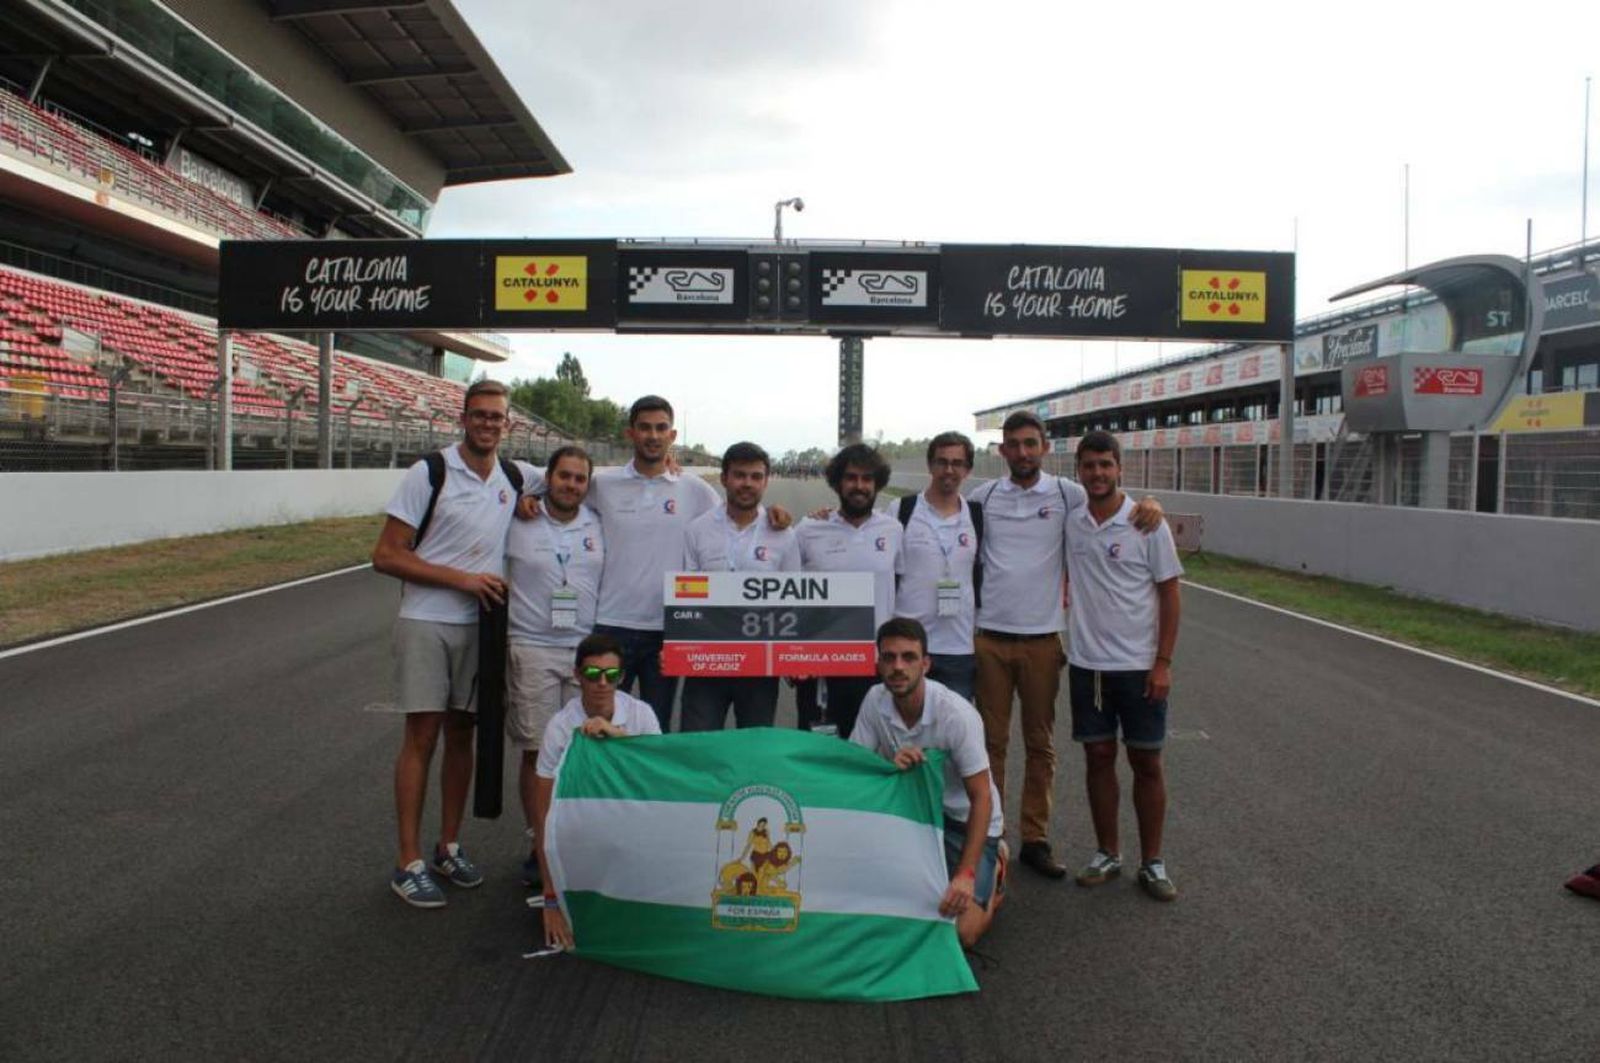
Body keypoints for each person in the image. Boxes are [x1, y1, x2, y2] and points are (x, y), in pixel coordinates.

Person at [968, 411, 1163, 879]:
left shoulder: (1066, 493)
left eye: (1030, 443)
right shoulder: (984, 496)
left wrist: (1151, 504)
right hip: (988, 637)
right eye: (1013, 444)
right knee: (990, 745)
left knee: (1040, 744)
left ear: (1045, 447)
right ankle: (991, 836)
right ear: (1001, 451)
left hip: (1043, 641)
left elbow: (1115, 499)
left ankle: (1035, 838)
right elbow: (934, 513)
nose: (1022, 452)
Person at [370, 379, 541, 908]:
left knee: (463, 736)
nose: (489, 424)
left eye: (498, 417)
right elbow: (386, 555)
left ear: (508, 425)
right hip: (427, 618)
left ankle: (448, 845)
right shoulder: (431, 471)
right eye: (480, 415)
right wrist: (462, 580)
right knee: (421, 736)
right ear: (463, 419)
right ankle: (408, 860)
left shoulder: (515, 476)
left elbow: (575, 481)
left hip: (481, 627)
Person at [1064, 431, 1184, 901]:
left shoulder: (1147, 523)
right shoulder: (1071, 521)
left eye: (1105, 465)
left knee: (1147, 762)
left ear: (1120, 469)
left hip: (1139, 667)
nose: (1097, 473)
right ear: (1078, 471)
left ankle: (1152, 861)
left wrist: (1163, 663)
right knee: (1097, 758)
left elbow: (1170, 594)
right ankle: (1107, 852)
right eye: (1089, 465)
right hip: (1087, 665)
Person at [851, 618, 1006, 948]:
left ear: (926, 664)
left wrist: (965, 876)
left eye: (908, 657)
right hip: (915, 815)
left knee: (963, 933)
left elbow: (981, 798)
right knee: (882, 912)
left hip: (965, 822)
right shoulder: (873, 701)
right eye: (889, 657)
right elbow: (857, 773)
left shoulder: (956, 715)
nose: (898, 667)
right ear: (877, 663)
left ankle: (995, 870)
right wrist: (886, 767)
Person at [584, 396, 720, 733]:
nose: (653, 435)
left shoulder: (694, 490)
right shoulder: (603, 484)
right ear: (631, 433)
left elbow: (732, 523)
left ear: (672, 436)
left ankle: (645, 789)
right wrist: (529, 501)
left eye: (661, 428)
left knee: (653, 729)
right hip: (611, 624)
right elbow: (561, 499)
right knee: (602, 725)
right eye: (645, 427)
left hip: (667, 629)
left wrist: (775, 517)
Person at [504, 445, 603, 890]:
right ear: (548, 478)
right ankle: (538, 841)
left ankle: (574, 841)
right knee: (537, 749)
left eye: (580, 479)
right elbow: (504, 472)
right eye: (563, 477)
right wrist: (529, 495)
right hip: (531, 646)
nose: (572, 485)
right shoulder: (516, 516)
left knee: (582, 749)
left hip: (584, 650)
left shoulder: (598, 520)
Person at [532, 632, 663, 949]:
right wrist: (550, 901)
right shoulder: (560, 726)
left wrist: (617, 735)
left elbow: (660, 778)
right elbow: (542, 815)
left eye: (612, 674)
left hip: (632, 821)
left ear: (621, 676)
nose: (602, 682)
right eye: (592, 674)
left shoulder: (641, 714)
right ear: (577, 676)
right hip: (583, 828)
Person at [679, 441, 801, 731]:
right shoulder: (697, 529)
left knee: (754, 754)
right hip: (707, 662)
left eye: (756, 476)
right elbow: (685, 597)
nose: (747, 483)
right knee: (699, 750)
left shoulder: (784, 534)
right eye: (740, 475)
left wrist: (792, 654)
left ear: (766, 481)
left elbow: (794, 599)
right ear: (724, 479)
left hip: (759, 664)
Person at [795, 443, 903, 739]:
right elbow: (787, 596)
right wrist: (791, 657)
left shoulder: (893, 530)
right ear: (838, 482)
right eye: (851, 478)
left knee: (871, 756)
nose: (859, 486)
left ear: (877, 483)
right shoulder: (808, 529)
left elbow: (901, 587)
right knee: (819, 760)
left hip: (875, 666)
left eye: (867, 479)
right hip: (820, 667)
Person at [893, 431, 982, 701]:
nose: (949, 469)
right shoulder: (901, 510)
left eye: (957, 463)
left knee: (951, 738)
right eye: (942, 462)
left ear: (967, 470)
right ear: (930, 465)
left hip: (959, 648)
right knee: (903, 733)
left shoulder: (977, 515)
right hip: (908, 646)